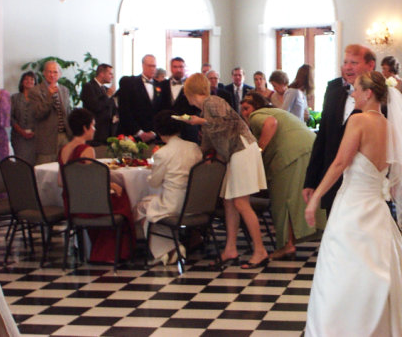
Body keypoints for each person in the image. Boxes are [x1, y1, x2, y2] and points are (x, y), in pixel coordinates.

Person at [304, 71, 402, 336]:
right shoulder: (391, 126)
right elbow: (397, 176)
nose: (352, 94)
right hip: (377, 208)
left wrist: (316, 196)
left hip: (352, 207)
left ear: (368, 93)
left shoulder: (359, 121)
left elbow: (341, 163)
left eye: (355, 89)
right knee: (381, 270)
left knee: (340, 273)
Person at [183, 73, 269, 269]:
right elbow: (208, 141)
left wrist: (200, 122)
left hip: (242, 150)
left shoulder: (213, 102)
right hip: (236, 153)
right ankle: (230, 248)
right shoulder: (206, 109)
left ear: (190, 93)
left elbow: (227, 124)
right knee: (229, 201)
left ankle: (260, 250)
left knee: (240, 202)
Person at [240, 93, 326, 260]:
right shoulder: (275, 112)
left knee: (282, 200)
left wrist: (259, 150)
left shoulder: (257, 115)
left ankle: (287, 245)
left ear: (256, 107)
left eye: (246, 108)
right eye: (242, 109)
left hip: (292, 154)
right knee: (298, 198)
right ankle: (292, 242)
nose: (244, 113)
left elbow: (270, 124)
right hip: (308, 149)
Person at [303, 44, 376, 216]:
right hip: (333, 181)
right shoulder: (334, 90)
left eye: (354, 62)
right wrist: (311, 180)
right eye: (345, 62)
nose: (348, 67)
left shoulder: (383, 97)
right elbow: (323, 138)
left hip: (364, 184)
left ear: (370, 65)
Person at [58, 108, 136, 263]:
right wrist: (114, 186)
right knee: (124, 199)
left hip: (72, 204)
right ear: (85, 128)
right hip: (89, 205)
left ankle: (103, 249)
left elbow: (60, 182)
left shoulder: (64, 149)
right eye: (92, 126)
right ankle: (114, 252)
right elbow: (91, 182)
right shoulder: (87, 150)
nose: (94, 129)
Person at [134, 110, 202, 265]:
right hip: (195, 202)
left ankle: (167, 250)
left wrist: (151, 174)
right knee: (150, 207)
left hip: (174, 203)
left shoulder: (162, 153)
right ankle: (170, 249)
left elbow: (154, 183)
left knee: (141, 208)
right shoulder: (194, 148)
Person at [118, 54, 169, 142]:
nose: (152, 69)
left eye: (154, 66)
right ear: (143, 65)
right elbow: (124, 110)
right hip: (133, 135)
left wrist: (154, 132)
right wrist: (139, 132)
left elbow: (162, 111)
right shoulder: (130, 83)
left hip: (154, 136)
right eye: (149, 66)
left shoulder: (160, 85)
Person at [29, 61, 72, 164]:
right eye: (49, 72)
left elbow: (68, 112)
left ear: (60, 74)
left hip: (65, 136)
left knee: (65, 170)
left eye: (55, 72)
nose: (52, 75)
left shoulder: (64, 90)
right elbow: (38, 113)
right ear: (44, 73)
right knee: (45, 173)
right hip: (47, 140)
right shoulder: (35, 91)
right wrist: (49, 96)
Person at [161, 57, 200, 144]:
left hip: (188, 131)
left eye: (181, 67)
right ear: (171, 68)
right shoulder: (162, 85)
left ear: (184, 68)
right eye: (175, 67)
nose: (178, 70)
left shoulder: (193, 85)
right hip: (167, 131)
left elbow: (197, 108)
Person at [81, 63, 118, 145]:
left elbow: (112, 107)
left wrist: (116, 115)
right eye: (110, 74)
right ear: (101, 74)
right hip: (96, 135)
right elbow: (95, 106)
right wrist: (108, 95)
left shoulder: (106, 89)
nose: (112, 77)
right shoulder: (89, 87)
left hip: (108, 135)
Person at [10, 71, 37, 164]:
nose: (29, 81)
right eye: (26, 79)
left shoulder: (39, 99)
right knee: (20, 164)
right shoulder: (14, 98)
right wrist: (20, 131)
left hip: (35, 138)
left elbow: (42, 117)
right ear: (22, 82)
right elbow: (10, 117)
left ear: (35, 82)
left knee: (33, 165)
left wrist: (35, 131)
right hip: (18, 138)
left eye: (32, 79)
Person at [0, 67, 11, 161]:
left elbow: (3, 121)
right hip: (0, 136)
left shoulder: (3, 95)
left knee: (1, 166)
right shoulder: (4, 94)